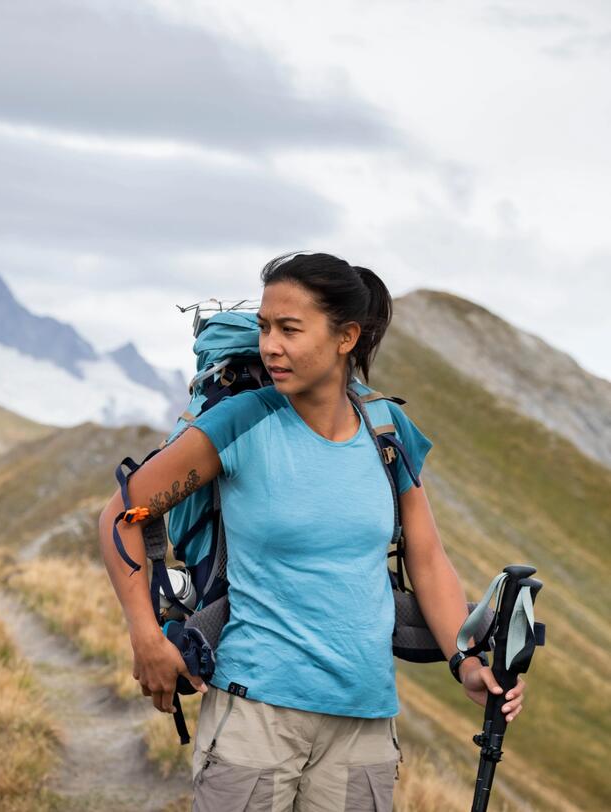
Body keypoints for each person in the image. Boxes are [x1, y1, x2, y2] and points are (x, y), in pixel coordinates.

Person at [99, 252, 526, 811]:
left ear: (346, 336)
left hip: (365, 722)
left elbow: (426, 558)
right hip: (255, 716)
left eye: (289, 329)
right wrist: (145, 637)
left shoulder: (385, 430)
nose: (271, 345)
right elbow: (122, 515)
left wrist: (466, 663)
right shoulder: (240, 422)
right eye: (264, 327)